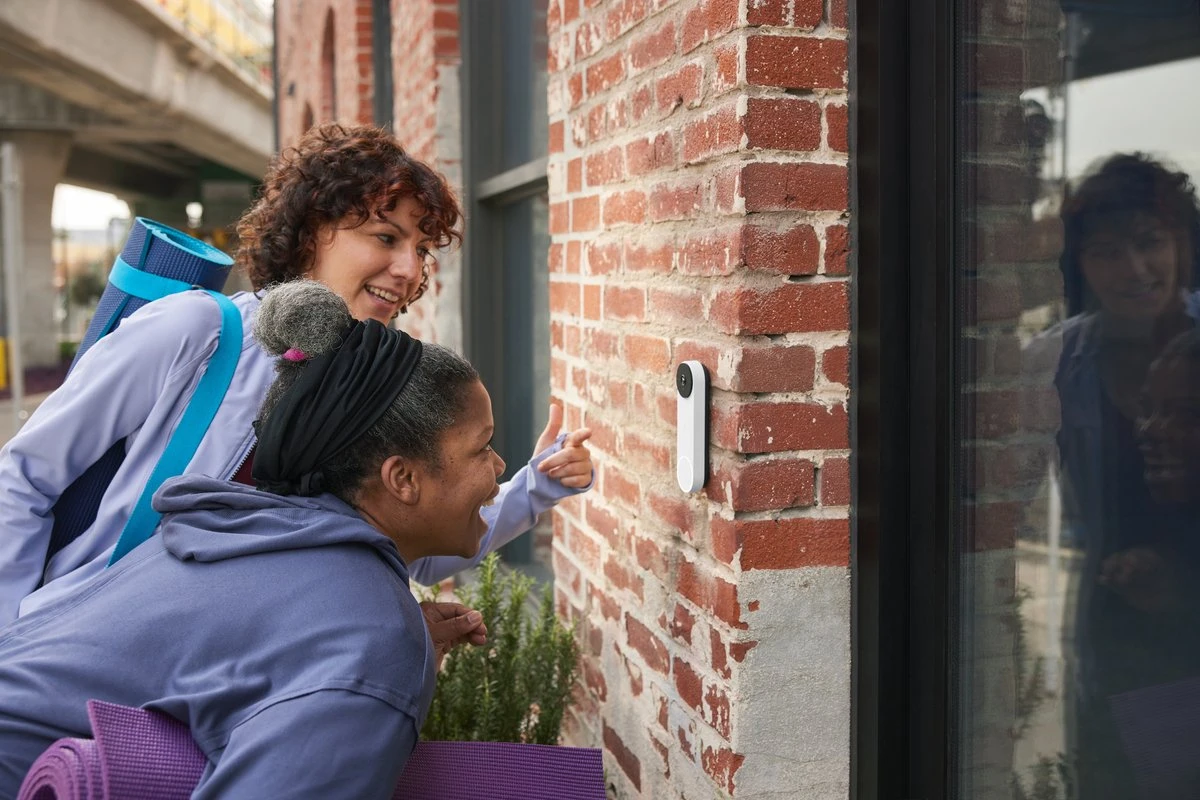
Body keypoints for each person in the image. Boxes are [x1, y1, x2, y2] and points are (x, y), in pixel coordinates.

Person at [0, 123, 593, 622]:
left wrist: (535, 488)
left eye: (421, 250)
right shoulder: (198, 332)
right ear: (311, 233)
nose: (410, 270)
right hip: (83, 651)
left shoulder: (369, 391)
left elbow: (413, 544)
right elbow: (24, 477)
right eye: (385, 237)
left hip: (213, 688)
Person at [0, 281, 511, 795]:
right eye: (482, 448)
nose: (500, 466)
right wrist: (378, 673)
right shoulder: (368, 638)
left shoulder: (243, 529)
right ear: (402, 479)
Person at [1021, 153, 1200, 799]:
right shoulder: (1054, 362)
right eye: (1106, 252)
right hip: (1114, 633)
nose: (1134, 268)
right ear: (1080, 264)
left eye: (1150, 242)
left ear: (1182, 243)